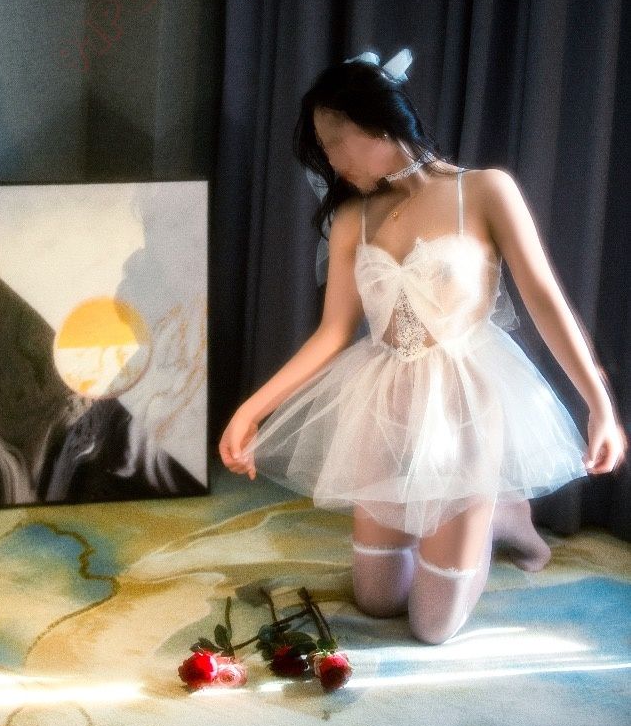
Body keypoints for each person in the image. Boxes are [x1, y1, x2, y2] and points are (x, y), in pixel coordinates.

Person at [218, 49, 627, 644]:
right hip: (384, 405)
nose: (330, 161)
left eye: (335, 142)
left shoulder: (484, 190)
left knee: (432, 627)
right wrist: (252, 410)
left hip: (467, 403)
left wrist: (599, 404)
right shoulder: (354, 217)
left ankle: (501, 517)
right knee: (378, 600)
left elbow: (545, 302)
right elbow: (333, 333)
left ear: (379, 124)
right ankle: (487, 515)